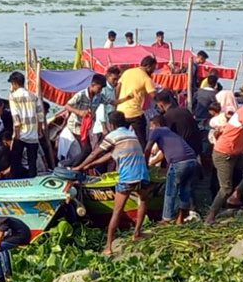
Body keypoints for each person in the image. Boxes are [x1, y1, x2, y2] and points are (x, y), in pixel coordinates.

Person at [73, 112, 150, 255]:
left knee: (117, 211)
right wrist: (90, 166)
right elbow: (110, 155)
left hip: (128, 178)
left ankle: (108, 246)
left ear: (112, 124)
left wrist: (79, 167)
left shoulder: (113, 136)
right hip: (142, 175)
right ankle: (137, 233)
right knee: (144, 200)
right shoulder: (131, 135)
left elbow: (95, 153)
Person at [205, 89, 243, 226]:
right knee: (225, 188)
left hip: (236, 152)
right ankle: (211, 217)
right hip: (223, 153)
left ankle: (236, 195)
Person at [145, 115, 199, 224]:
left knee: (170, 191)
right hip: (192, 160)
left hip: (179, 163)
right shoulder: (170, 133)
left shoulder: (157, 131)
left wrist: (145, 165)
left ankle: (166, 219)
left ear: (157, 125)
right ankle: (180, 219)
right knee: (185, 191)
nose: (150, 129)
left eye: (151, 126)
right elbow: (167, 152)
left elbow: (147, 148)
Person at [63, 74, 109, 166]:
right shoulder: (81, 94)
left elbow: (112, 102)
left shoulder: (99, 96)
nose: (100, 91)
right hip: (76, 125)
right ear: (92, 85)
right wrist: (79, 112)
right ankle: (70, 166)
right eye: (99, 88)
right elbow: (67, 106)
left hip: (87, 126)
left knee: (87, 150)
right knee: (87, 149)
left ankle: (69, 164)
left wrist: (126, 99)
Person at [116, 55, 157, 148]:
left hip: (121, 111)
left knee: (120, 139)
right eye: (153, 69)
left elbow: (118, 87)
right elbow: (153, 95)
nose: (153, 71)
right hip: (135, 113)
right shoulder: (146, 78)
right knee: (142, 140)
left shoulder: (127, 72)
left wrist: (118, 101)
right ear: (148, 67)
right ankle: (143, 159)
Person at [8, 72, 43, 178]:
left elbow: (16, 118)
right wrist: (39, 131)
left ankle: (15, 181)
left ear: (14, 84)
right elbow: (40, 116)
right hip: (33, 134)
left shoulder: (13, 97)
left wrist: (16, 137)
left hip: (21, 134)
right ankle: (32, 181)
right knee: (32, 162)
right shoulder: (34, 96)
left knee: (15, 161)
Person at [155, 90, 202, 157]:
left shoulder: (167, 116)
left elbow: (164, 138)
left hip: (184, 150)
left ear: (160, 104)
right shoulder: (184, 110)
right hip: (196, 146)